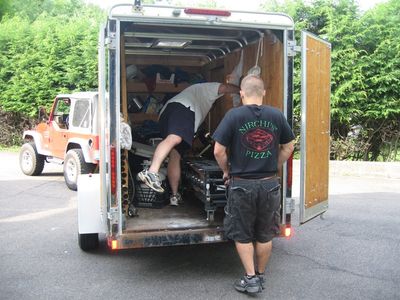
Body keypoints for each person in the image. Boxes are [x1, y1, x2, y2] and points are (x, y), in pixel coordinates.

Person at [212, 74, 295, 294]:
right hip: (270, 185)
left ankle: (250, 279)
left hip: (242, 185)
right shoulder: (276, 115)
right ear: (264, 92)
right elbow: (289, 146)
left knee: (242, 233)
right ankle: (260, 275)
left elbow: (218, 150)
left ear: (241, 94)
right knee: (265, 233)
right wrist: (273, 165)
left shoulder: (233, 116)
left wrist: (226, 170)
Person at [138, 82, 240, 206]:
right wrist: (242, 90)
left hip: (166, 114)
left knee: (175, 155)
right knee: (175, 138)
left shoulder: (198, 98)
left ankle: (174, 196)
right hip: (183, 108)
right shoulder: (206, 89)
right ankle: (151, 172)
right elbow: (225, 87)